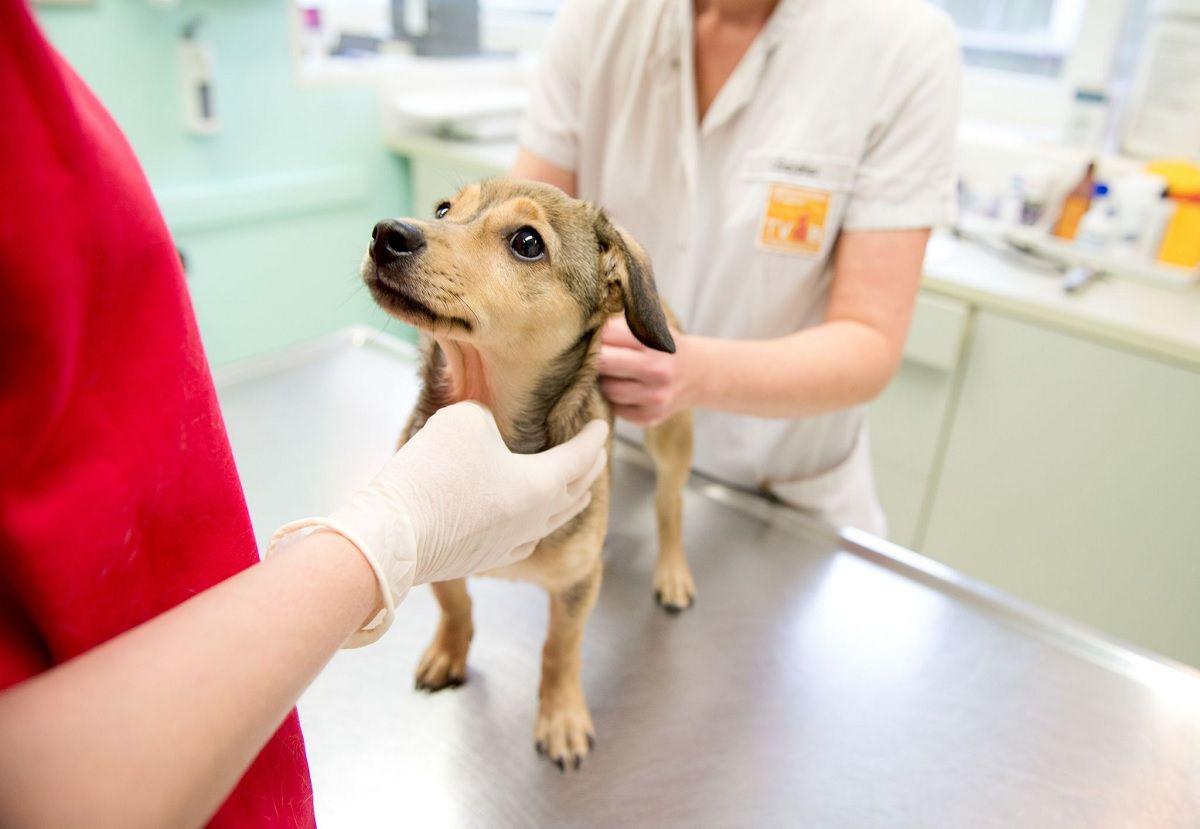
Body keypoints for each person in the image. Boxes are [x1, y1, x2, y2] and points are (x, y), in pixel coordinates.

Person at [0, 4, 608, 827]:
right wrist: (395, 534)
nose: (419, 232)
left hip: (194, 677)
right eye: (444, 208)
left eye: (520, 243)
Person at [513, 0, 961, 534]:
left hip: (782, 494)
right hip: (604, 464)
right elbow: (516, 242)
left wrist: (694, 371)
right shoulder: (599, 17)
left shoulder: (902, 43)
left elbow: (869, 340)